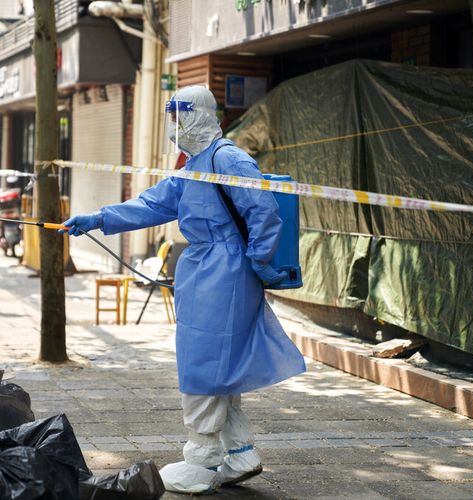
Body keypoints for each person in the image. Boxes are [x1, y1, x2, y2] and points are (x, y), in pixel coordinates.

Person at [61, 86, 306, 494]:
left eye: (180, 115)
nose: (174, 125)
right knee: (217, 365)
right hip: (206, 269)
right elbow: (154, 204)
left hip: (226, 271)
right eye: (171, 116)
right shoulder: (195, 164)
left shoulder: (226, 157)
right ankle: (239, 451)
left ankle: (202, 459)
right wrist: (99, 218)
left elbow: (262, 210)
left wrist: (260, 262)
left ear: (200, 115)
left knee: (205, 364)